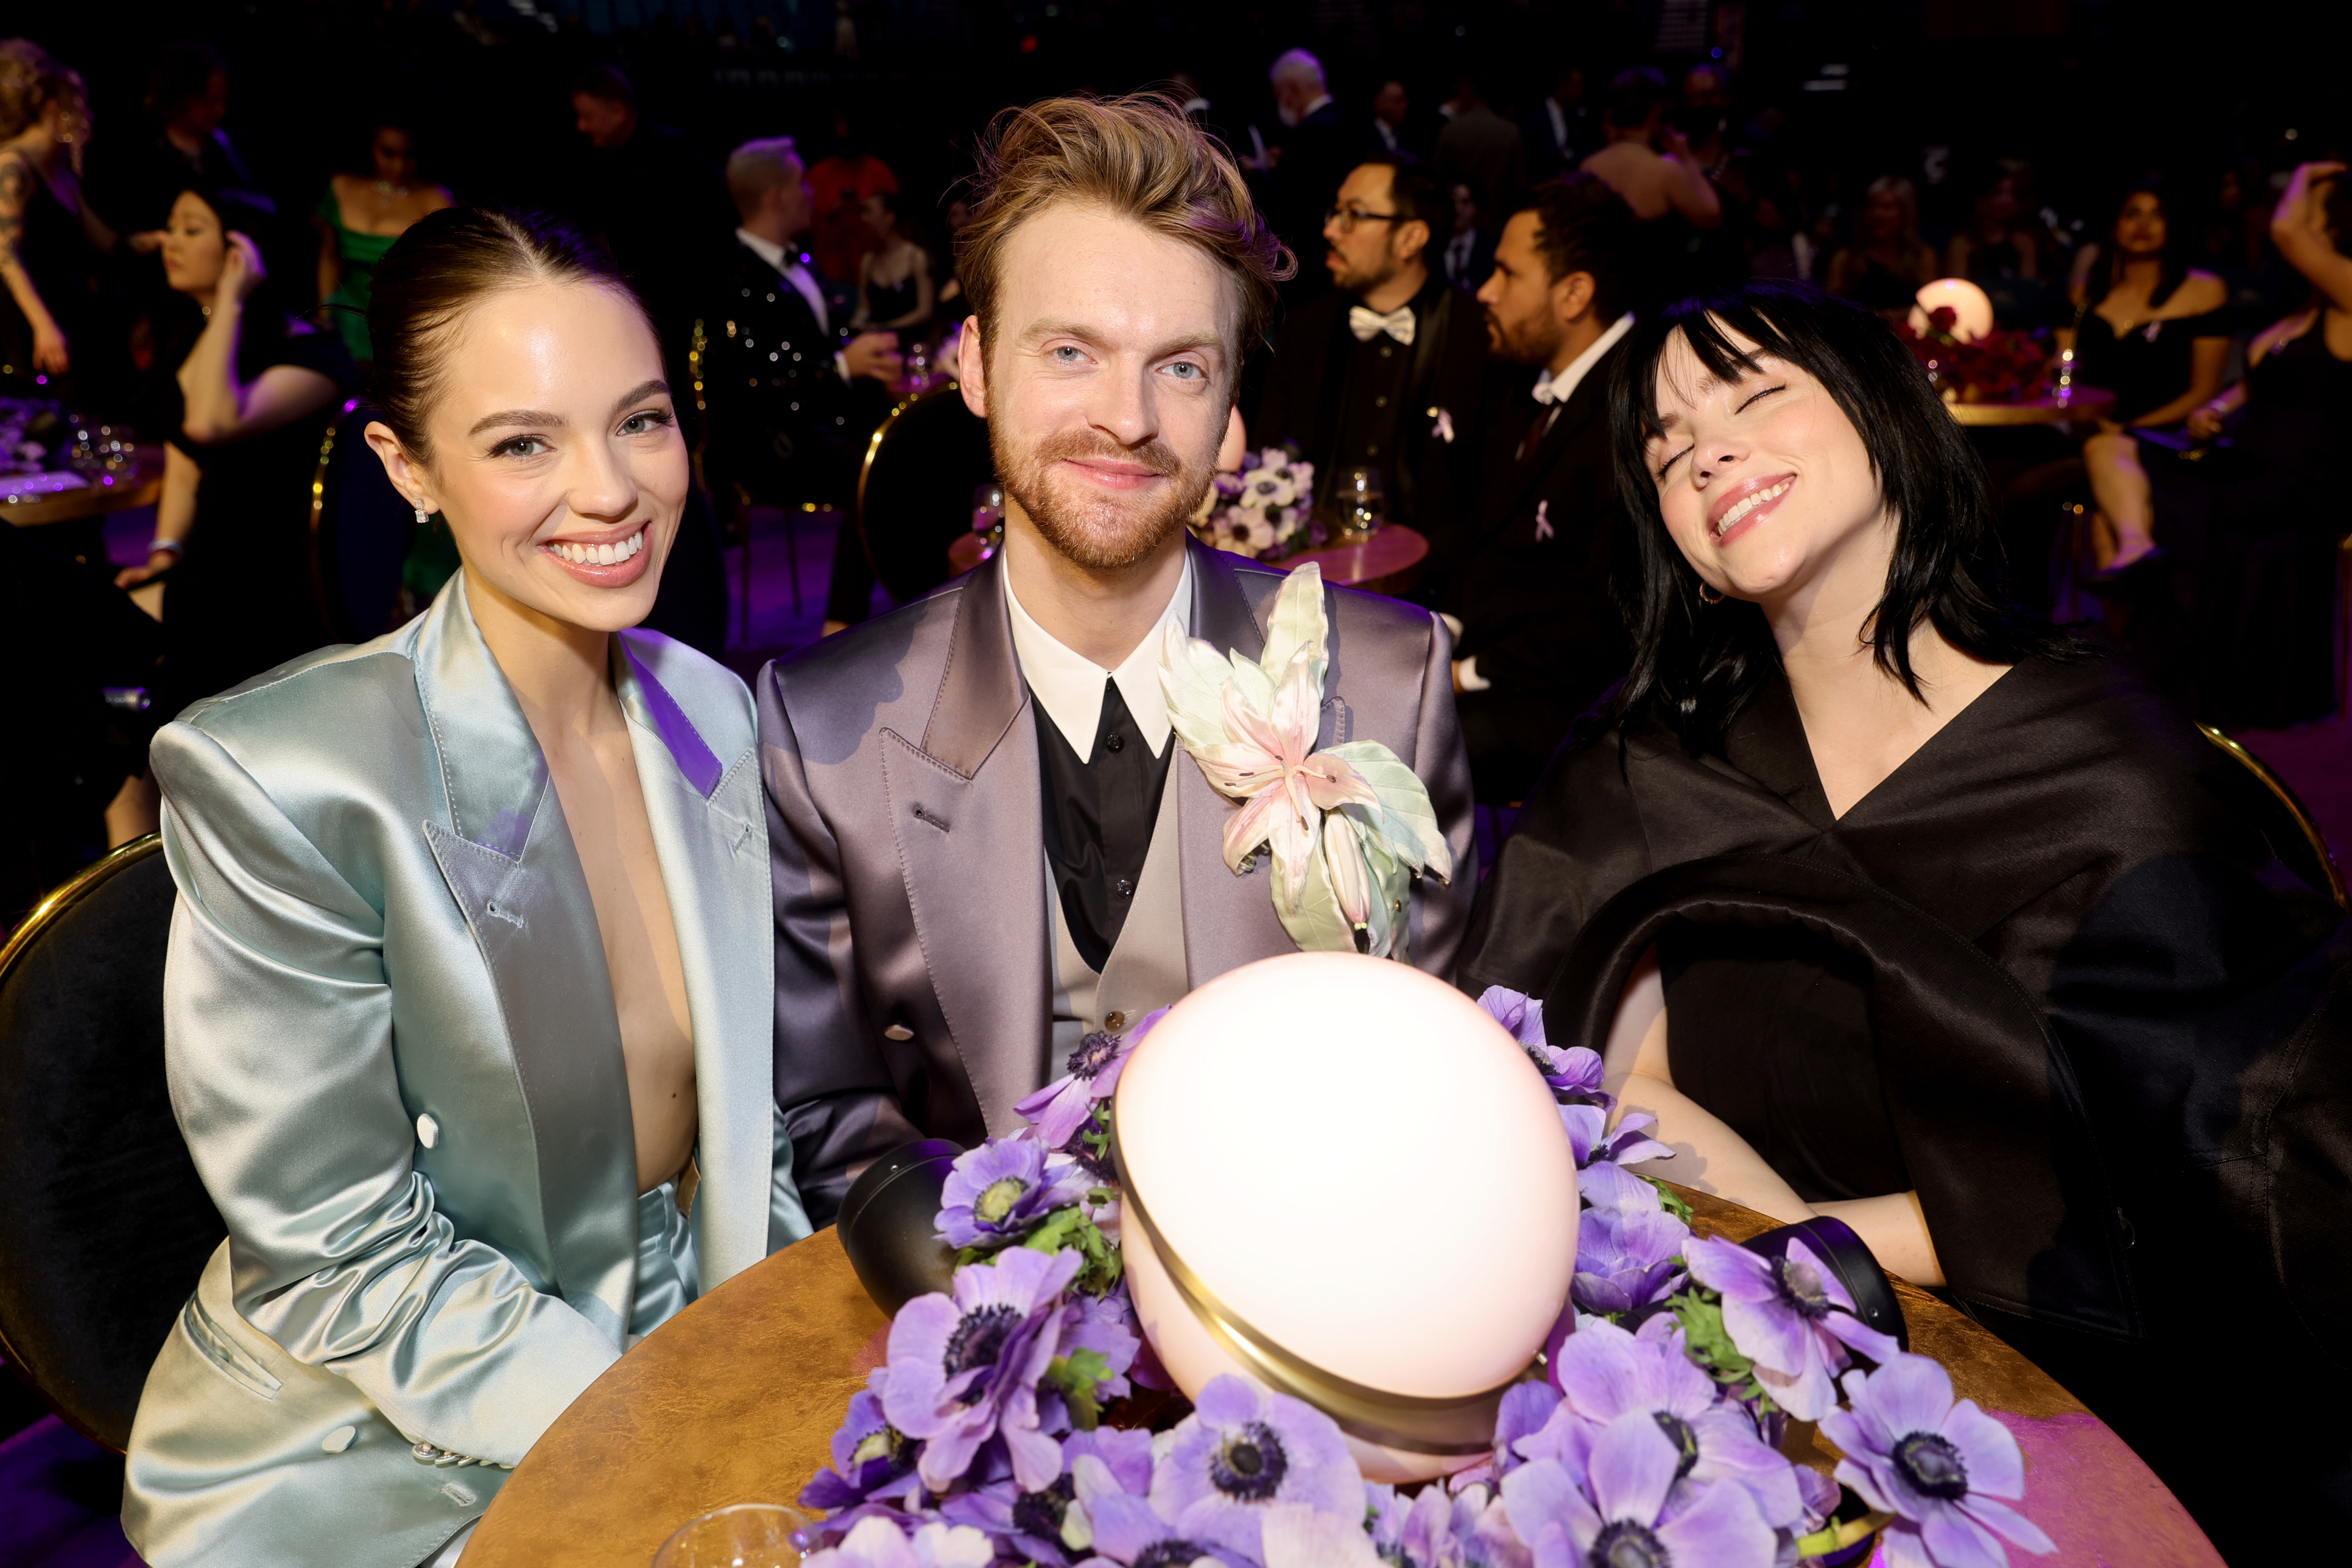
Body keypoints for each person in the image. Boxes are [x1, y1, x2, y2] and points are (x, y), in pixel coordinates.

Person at [1459, 278, 2352, 1560]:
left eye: (1754, 393)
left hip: (2071, 1408)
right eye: (1663, 444)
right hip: (1727, 1393)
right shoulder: (1644, 766)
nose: (1702, 445)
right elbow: (1600, 1061)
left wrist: (1819, 1268)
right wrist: (1781, 1296)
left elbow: (2202, 1165)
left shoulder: (2100, 770)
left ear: (1884, 417)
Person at [121, 205, 812, 1568]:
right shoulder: (288, 778)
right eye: (521, 444)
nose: (610, 489)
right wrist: (678, 1425)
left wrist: (781, 1382)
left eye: (641, 420)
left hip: (675, 1355)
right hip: (369, 1450)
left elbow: (749, 1136)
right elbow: (341, 1255)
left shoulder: (711, 712)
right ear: (408, 465)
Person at [759, 94, 1477, 1224]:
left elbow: (1433, 1086)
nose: (1126, 419)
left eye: (1182, 369)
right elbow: (833, 1115)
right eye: (1070, 352)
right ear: (978, 366)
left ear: (1231, 410)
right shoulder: (822, 729)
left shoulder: (1391, 687)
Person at [2095, 161, 2352, 728]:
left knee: (2156, 498)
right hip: (2241, 463)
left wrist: (2306, 170)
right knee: (2111, 460)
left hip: (2294, 483)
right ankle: (2127, 662)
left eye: (2317, 210)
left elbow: (2285, 231)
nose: (2299, 218)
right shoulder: (2306, 310)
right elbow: (2258, 387)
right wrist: (2219, 408)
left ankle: (2141, 670)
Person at [1422, 174, 1639, 806]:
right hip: (1503, 668)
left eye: (1507, 273)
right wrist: (1441, 634)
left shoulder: (1636, 406)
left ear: (1573, 294)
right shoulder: (1532, 383)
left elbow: (1609, 621)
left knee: (1381, 756)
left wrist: (1461, 675)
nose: (1484, 292)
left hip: (1573, 708)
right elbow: (1487, 541)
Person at [113, 187, 354, 720]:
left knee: (83, 626)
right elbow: (184, 463)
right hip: (206, 566)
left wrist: (232, 298)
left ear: (241, 254)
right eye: (171, 226)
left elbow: (210, 422)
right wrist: (165, 551)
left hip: (268, 581)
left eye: (191, 229)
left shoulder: (313, 354)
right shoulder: (195, 337)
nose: (170, 241)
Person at [698, 137, 901, 635]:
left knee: (910, 443)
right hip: (772, 448)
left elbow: (817, 345)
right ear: (777, 196)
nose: (813, 193)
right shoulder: (733, 279)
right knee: (874, 469)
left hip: (821, 428)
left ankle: (926, 599)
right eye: (801, 183)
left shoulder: (795, 260)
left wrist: (868, 354)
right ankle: (839, 625)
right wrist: (843, 367)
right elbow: (758, 388)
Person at [1250, 156, 1487, 541]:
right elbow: (1266, 457)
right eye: (1335, 212)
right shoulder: (1306, 329)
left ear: (1411, 238)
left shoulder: (1474, 335)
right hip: (1317, 566)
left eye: (1353, 215)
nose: (1330, 230)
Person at [2063, 181, 2230, 575]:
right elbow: (2066, 373)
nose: (2144, 225)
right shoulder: (2086, 296)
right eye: (2132, 214)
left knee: (2106, 514)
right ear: (2115, 225)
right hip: (2092, 433)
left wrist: (2128, 427)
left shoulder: (2204, 290)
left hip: (2170, 435)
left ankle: (2135, 565)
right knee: (2013, 479)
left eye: (2157, 215)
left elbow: (2204, 390)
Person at [0, 40, 150, 406]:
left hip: (71, 314)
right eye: (78, 104)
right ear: (53, 107)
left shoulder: (61, 174)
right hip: (30, 323)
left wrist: (164, 240)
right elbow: (4, 253)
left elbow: (108, 243)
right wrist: (43, 324)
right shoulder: (14, 167)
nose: (88, 116)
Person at [313, 119, 452, 365]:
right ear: (369, 147)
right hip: (345, 318)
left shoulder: (435, 200)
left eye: (409, 156)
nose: (398, 167)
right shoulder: (342, 188)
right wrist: (325, 313)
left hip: (400, 327)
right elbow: (329, 257)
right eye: (388, 154)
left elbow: (441, 282)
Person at [1579, 66, 1718, 311]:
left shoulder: (1590, 166)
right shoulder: (1665, 171)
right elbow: (1712, 216)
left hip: (1604, 301)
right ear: (1657, 110)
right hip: (1654, 306)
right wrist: (1687, 160)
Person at [1262, 48, 1352, 296]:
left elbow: (1291, 210)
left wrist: (1265, 175)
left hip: (1311, 271)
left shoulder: (1310, 136)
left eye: (1278, 94)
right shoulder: (1349, 124)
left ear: (1292, 89)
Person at [805, 108, 899, 289]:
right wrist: (833, 214)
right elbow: (806, 224)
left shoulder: (878, 171)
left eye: (848, 125)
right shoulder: (817, 175)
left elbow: (897, 217)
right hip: (832, 272)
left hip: (880, 271)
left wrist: (862, 208)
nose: (843, 131)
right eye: (838, 126)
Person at [1823, 175, 1938, 317]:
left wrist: (1881, 317)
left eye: (1887, 208)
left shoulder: (1922, 257)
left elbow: (1929, 307)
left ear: (1905, 213)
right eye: (1871, 207)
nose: (1876, 215)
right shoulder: (1845, 258)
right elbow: (1829, 308)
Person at [1433, 74, 1524, 241]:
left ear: (1468, 92)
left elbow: (1437, 182)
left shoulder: (1450, 131)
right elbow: (1519, 189)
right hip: (1497, 227)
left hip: (1456, 228)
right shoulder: (1510, 133)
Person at [851, 190, 934, 334]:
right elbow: (864, 309)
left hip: (912, 342)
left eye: (869, 212)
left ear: (890, 217)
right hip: (879, 345)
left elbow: (924, 311)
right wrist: (854, 325)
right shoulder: (868, 261)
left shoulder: (915, 257)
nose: (864, 219)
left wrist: (886, 328)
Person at [1523, 64, 1591, 181]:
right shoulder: (1535, 119)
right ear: (1562, 87)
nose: (1581, 92)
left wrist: (1569, 157)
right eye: (1578, 87)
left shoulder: (1577, 117)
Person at [1438, 180, 1491, 293]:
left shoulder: (1490, 248)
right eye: (1454, 201)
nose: (1458, 209)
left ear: (1477, 207)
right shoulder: (1434, 245)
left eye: (1465, 202)